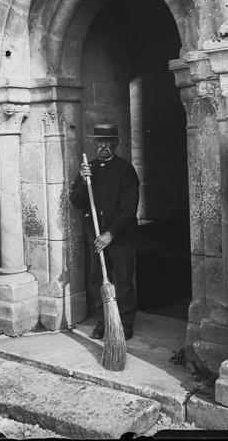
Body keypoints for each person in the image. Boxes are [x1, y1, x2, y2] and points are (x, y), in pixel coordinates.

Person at [69, 123, 140, 340]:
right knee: (97, 279)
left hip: (119, 236)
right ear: (94, 144)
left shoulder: (125, 170)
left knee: (124, 279)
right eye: (100, 142)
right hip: (96, 237)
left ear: (115, 143)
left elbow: (129, 207)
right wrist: (82, 181)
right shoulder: (87, 169)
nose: (103, 146)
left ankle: (125, 322)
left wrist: (110, 233)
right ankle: (104, 320)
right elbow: (77, 201)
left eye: (108, 142)